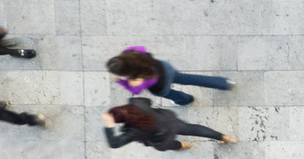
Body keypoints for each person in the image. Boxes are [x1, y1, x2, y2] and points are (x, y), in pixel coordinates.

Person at [106, 48, 234, 107]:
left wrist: (120, 81)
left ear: (125, 73)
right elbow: (144, 50)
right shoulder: (131, 51)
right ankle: (224, 83)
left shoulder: (135, 81)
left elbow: (135, 91)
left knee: (172, 95)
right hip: (165, 68)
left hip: (161, 86)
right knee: (190, 78)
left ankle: (186, 100)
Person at [100, 102, 233, 151]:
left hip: (162, 137)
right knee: (192, 128)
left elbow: (114, 143)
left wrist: (109, 125)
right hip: (168, 120)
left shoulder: (132, 131)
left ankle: (183, 146)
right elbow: (148, 101)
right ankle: (223, 137)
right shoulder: (135, 102)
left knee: (169, 145)